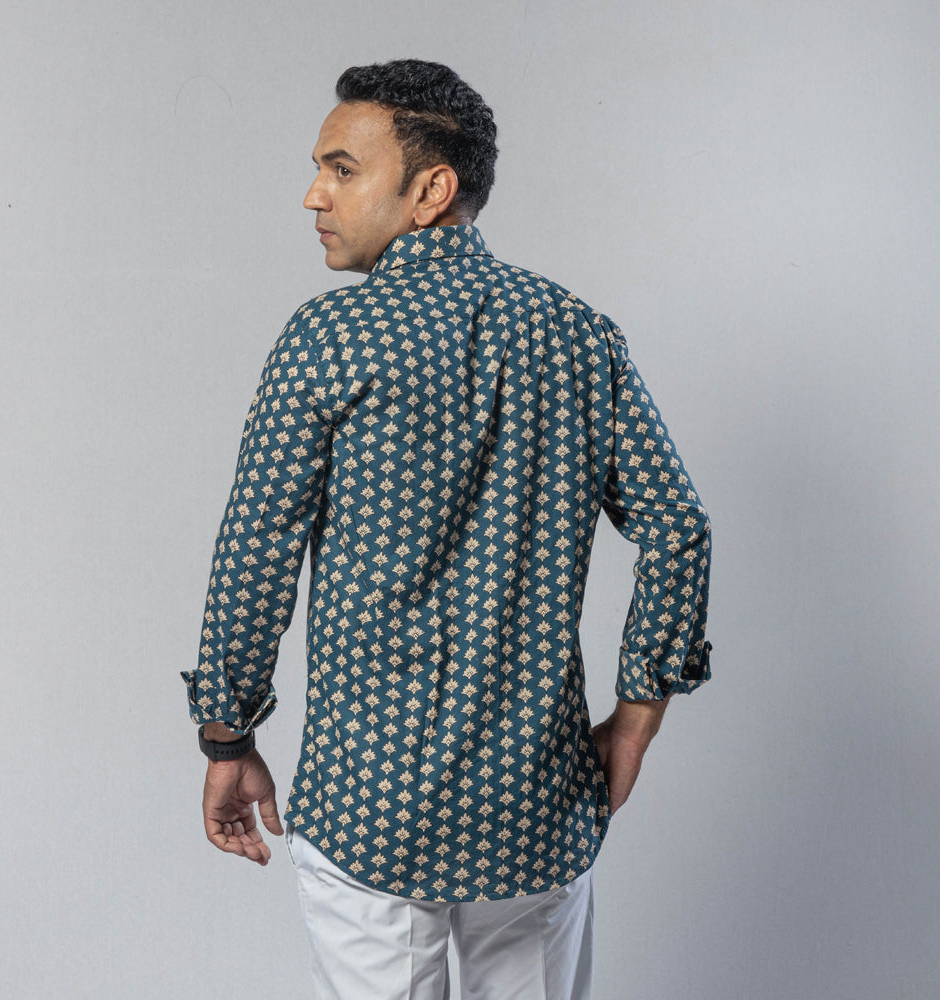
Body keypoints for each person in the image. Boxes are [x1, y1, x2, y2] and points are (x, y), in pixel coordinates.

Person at [181, 58, 712, 1000]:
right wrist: (635, 723)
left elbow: (255, 554)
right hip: (536, 806)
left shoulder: (330, 338)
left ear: (431, 191)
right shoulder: (576, 334)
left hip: (369, 806)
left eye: (343, 169)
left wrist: (228, 741)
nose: (313, 195)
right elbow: (678, 526)